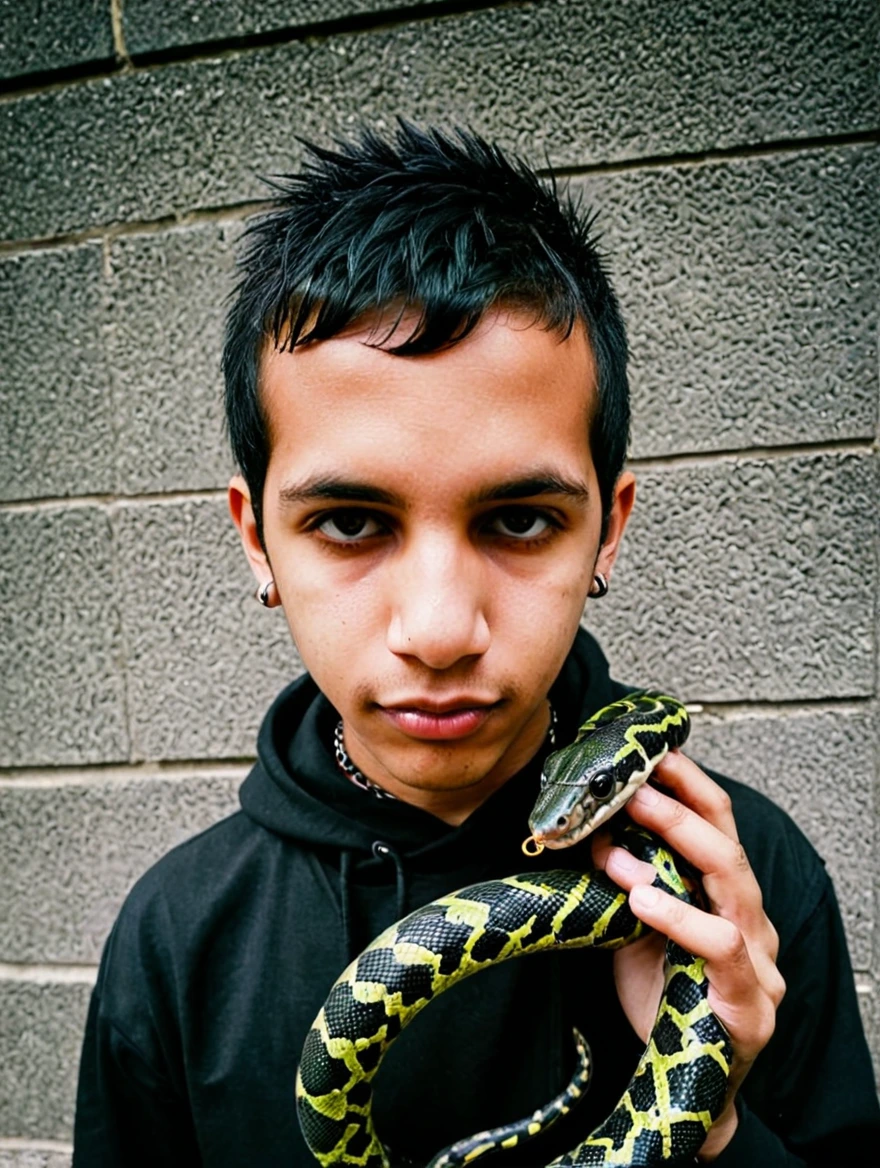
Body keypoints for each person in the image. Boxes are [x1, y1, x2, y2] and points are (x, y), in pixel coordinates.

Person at [73, 123, 879, 1167]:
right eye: (352, 522)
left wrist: (716, 1126)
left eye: (518, 519)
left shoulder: (742, 879)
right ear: (256, 540)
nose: (442, 630)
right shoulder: (178, 938)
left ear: (608, 528)